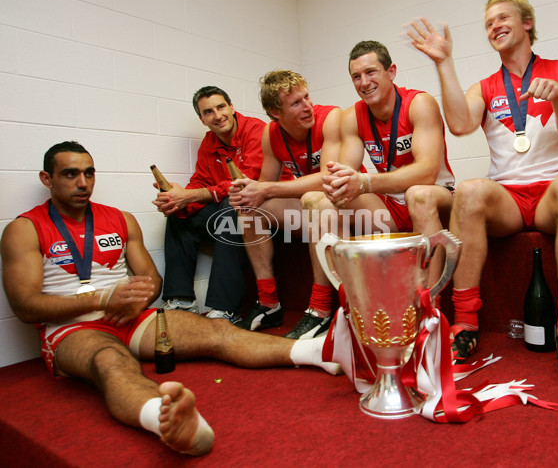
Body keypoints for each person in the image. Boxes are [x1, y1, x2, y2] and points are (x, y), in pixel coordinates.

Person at [0, 141, 341, 456]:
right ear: (48, 178)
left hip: (131, 316)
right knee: (111, 361)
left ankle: (321, 350)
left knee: (217, 331)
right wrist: (105, 299)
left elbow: (151, 279)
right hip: (72, 328)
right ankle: (167, 420)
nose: (82, 182)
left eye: (89, 173)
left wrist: (137, 297)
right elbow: (25, 305)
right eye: (70, 174)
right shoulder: (25, 227)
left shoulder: (119, 218)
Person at [408, 0, 558, 388]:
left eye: (502, 18)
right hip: (507, 198)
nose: (494, 26)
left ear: (527, 23)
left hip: (552, 194)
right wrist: (444, 62)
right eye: (488, 23)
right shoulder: (486, 86)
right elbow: (459, 126)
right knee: (472, 189)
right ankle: (465, 323)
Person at [229, 70, 342, 339]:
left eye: (307, 97)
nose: (307, 106)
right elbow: (265, 189)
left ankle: (320, 308)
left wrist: (266, 188)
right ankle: (268, 304)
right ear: (275, 112)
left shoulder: (330, 118)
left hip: (343, 208)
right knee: (250, 212)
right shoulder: (271, 133)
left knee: (316, 200)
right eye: (296, 103)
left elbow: (328, 179)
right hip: (310, 209)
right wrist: (249, 192)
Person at [319, 40, 454, 264]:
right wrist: (338, 183)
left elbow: (428, 173)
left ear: (391, 72)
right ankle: (348, 293)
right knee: (324, 203)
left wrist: (364, 182)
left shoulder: (419, 103)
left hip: (434, 196)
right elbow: (348, 176)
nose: (364, 83)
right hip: (391, 205)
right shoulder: (352, 116)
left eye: (371, 72)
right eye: (356, 76)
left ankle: (430, 297)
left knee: (418, 195)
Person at [152, 86, 277, 323]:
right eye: (208, 112)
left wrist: (190, 196)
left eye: (221, 107)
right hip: (233, 207)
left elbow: (244, 183)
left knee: (233, 206)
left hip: (267, 210)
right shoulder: (209, 141)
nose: (217, 115)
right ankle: (181, 300)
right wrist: (177, 199)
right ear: (202, 119)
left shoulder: (257, 131)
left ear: (231, 107)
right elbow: (201, 180)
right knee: (179, 215)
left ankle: (226, 309)